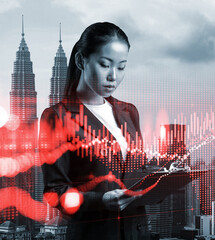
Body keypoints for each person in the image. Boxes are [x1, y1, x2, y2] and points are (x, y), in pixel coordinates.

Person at [39, 22, 150, 240]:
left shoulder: (129, 112)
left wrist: (161, 181)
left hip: (137, 233)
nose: (113, 76)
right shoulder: (57, 117)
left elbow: (138, 171)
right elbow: (55, 193)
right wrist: (101, 200)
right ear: (81, 60)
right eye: (105, 64)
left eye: (121, 67)